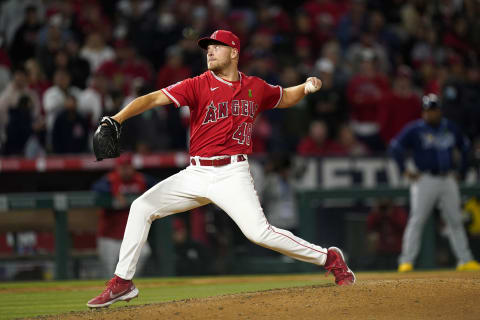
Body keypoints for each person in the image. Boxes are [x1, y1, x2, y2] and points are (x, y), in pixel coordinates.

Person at [87, 30, 355, 308]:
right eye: (208, 48)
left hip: (232, 173)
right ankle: (122, 282)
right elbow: (154, 98)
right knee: (141, 207)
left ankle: (329, 258)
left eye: (217, 47)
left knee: (259, 233)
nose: (210, 52)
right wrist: (116, 118)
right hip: (196, 173)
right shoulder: (197, 84)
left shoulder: (255, 86)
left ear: (234, 52)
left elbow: (284, 97)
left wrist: (305, 88)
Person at [390, 93, 480, 272]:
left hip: (447, 178)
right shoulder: (415, 129)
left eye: (433, 110)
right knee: (417, 220)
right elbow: (395, 147)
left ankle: (465, 259)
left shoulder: (449, 127)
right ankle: (406, 261)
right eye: (427, 110)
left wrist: (461, 171)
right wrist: (404, 170)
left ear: (440, 111)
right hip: (425, 179)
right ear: (423, 112)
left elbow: (466, 147)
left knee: (455, 219)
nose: (430, 113)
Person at [92, 153, 153, 278]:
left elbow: (157, 185)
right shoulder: (109, 180)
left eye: (128, 166)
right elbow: (96, 188)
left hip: (132, 235)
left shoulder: (140, 179)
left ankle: (128, 284)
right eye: (122, 167)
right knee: (109, 273)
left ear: (133, 167)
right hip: (110, 236)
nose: (125, 170)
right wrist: (114, 193)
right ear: (117, 167)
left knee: (144, 252)